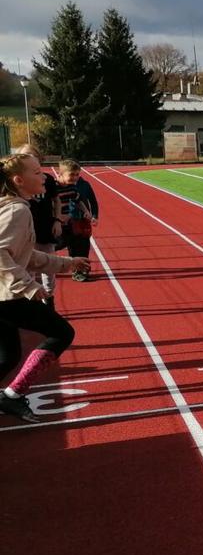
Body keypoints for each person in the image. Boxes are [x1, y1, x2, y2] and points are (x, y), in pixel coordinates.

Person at [0, 153, 90, 422]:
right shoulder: (17, 211)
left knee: (8, 355)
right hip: (5, 297)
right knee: (61, 332)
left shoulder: (12, 206)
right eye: (37, 172)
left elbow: (27, 257)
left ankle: (11, 396)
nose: (44, 176)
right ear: (19, 180)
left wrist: (68, 263)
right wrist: (28, 286)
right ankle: (12, 395)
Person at [16, 145, 60, 304]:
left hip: (45, 228)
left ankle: (49, 300)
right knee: (28, 266)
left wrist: (58, 220)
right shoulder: (15, 185)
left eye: (32, 156)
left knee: (48, 266)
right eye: (25, 155)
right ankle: (34, 301)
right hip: (26, 232)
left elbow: (56, 200)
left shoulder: (47, 180)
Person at [53, 159, 99, 281]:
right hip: (55, 223)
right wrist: (57, 218)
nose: (75, 177)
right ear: (60, 174)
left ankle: (80, 271)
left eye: (77, 174)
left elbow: (79, 201)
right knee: (55, 245)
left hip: (71, 222)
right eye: (71, 174)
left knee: (79, 244)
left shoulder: (73, 188)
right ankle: (38, 265)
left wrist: (87, 212)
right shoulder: (52, 187)